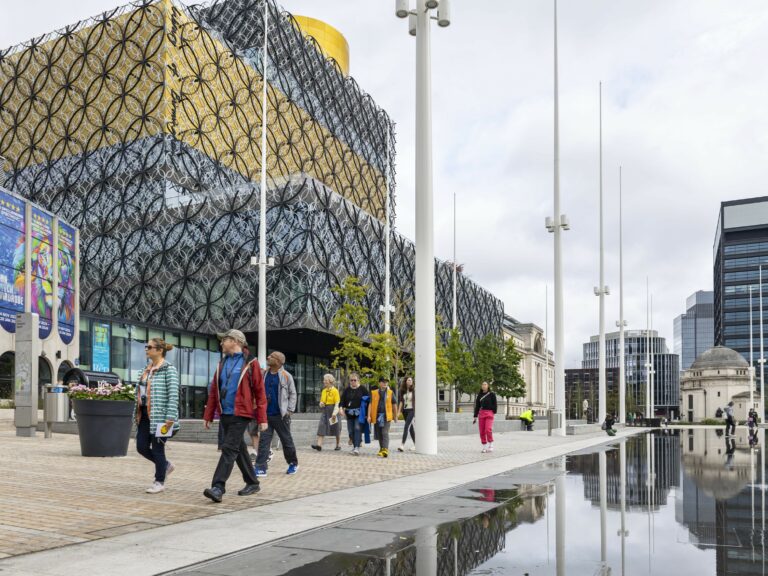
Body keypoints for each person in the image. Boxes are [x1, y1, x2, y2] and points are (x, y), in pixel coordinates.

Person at [202, 329, 267, 503]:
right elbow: (214, 391)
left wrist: (262, 419)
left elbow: (260, 393)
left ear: (235, 341)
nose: (222, 343)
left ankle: (218, 487)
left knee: (229, 448)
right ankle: (253, 482)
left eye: (224, 340)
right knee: (239, 450)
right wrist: (209, 415)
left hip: (241, 414)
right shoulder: (222, 363)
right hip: (226, 413)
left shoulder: (251, 363)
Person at [135, 337, 180, 494]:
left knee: (158, 449)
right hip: (145, 415)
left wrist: (170, 418)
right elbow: (139, 393)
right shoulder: (144, 370)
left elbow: (173, 395)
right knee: (141, 447)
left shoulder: (169, 369)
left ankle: (159, 481)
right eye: (146, 347)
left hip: (161, 418)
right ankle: (166, 466)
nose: (146, 349)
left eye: (150, 347)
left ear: (160, 350)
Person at [255, 351, 299, 476]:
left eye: (272, 356)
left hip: (281, 416)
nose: (268, 357)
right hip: (266, 415)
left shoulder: (286, 376)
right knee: (264, 441)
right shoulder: (264, 374)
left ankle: (293, 463)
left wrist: (289, 410)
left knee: (286, 441)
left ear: (279, 361)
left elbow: (293, 394)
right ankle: (260, 467)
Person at [339, 372, 368, 455]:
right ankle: (356, 445)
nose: (353, 382)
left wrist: (367, 413)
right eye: (351, 380)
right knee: (351, 431)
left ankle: (356, 448)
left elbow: (368, 401)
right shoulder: (347, 390)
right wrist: (341, 409)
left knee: (357, 428)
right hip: (349, 413)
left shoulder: (362, 389)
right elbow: (342, 401)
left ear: (358, 380)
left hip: (359, 413)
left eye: (355, 380)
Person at [368, 376, 397, 458]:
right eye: (383, 382)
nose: (385, 383)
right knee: (379, 433)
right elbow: (370, 404)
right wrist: (369, 415)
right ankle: (381, 449)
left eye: (386, 382)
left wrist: (395, 416)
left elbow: (394, 404)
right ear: (379, 383)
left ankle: (385, 449)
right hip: (377, 416)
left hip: (386, 416)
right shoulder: (374, 392)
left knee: (384, 432)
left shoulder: (390, 392)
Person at [312, 374, 341, 451]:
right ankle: (319, 445)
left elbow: (337, 403)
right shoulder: (324, 391)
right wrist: (321, 404)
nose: (324, 381)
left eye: (325, 380)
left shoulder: (335, 391)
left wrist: (334, 414)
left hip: (333, 411)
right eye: (324, 380)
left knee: (336, 428)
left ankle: (337, 445)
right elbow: (322, 401)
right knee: (322, 426)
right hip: (325, 411)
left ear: (330, 381)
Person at [473, 381, 497, 453]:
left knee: (488, 429)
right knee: (482, 431)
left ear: (488, 386)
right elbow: (477, 406)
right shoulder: (479, 395)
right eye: (482, 384)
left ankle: (491, 444)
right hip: (481, 414)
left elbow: (495, 404)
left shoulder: (492, 394)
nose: (484, 386)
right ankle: (484, 446)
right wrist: (475, 416)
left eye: (485, 384)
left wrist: (493, 411)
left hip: (489, 413)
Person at [397, 376, 416, 452]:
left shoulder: (414, 390)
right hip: (405, 411)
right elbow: (401, 402)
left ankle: (402, 445)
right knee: (410, 428)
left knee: (406, 426)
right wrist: (398, 412)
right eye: (409, 380)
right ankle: (416, 444)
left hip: (412, 410)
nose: (410, 381)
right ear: (406, 381)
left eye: (411, 380)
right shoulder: (402, 391)